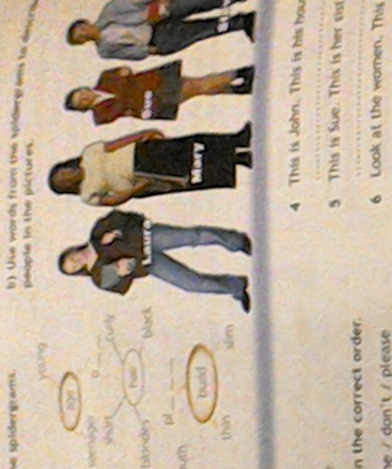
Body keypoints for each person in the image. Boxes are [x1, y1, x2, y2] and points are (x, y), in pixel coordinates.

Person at [58, 210, 252, 311]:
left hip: (149, 237)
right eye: (74, 266)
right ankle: (236, 287)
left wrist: (116, 231)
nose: (77, 260)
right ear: (78, 272)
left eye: (72, 258)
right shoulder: (99, 277)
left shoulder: (97, 232)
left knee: (195, 236)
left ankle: (237, 241)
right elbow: (120, 282)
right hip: (149, 263)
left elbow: (124, 217)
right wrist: (121, 270)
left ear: (72, 250)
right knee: (193, 284)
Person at [49, 124, 253, 205]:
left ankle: (236, 140)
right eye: (64, 180)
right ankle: (238, 160)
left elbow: (116, 144)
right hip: (141, 175)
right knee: (191, 172)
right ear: (68, 187)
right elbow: (112, 200)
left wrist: (142, 134)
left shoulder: (88, 154)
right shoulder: (87, 194)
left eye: (63, 172)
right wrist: (136, 189)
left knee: (192, 146)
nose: (67, 175)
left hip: (141, 152)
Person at [66, 0, 260, 61]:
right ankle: (242, 22)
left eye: (81, 29)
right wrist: (150, 50)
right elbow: (131, 54)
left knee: (200, 0)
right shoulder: (104, 50)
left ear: (85, 23)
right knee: (201, 31)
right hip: (157, 39)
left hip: (158, 13)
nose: (84, 34)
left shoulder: (110, 11)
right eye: (80, 38)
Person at [63, 61, 253, 125]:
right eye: (81, 102)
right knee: (197, 86)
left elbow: (125, 71)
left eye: (81, 94)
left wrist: (125, 81)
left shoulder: (105, 78)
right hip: (153, 101)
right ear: (83, 108)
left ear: (84, 88)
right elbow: (120, 106)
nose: (85, 97)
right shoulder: (100, 115)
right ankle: (238, 74)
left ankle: (235, 87)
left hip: (154, 80)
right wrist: (126, 84)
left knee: (197, 86)